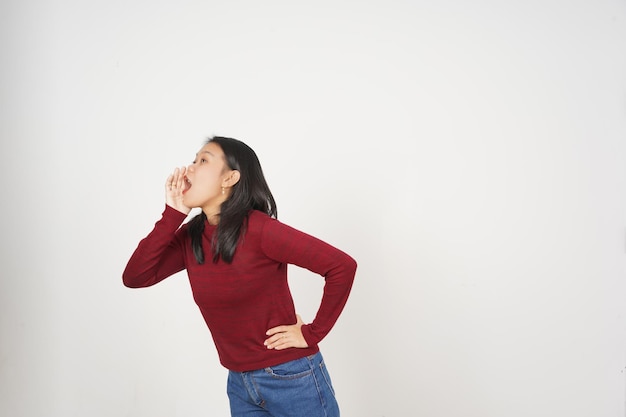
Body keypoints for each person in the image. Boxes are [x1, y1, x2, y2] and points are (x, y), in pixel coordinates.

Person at [123, 136, 357, 417]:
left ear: (229, 178)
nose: (190, 168)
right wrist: (173, 214)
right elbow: (136, 276)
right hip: (239, 383)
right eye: (193, 159)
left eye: (203, 160)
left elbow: (341, 266)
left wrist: (312, 333)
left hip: (292, 378)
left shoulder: (260, 230)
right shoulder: (192, 236)